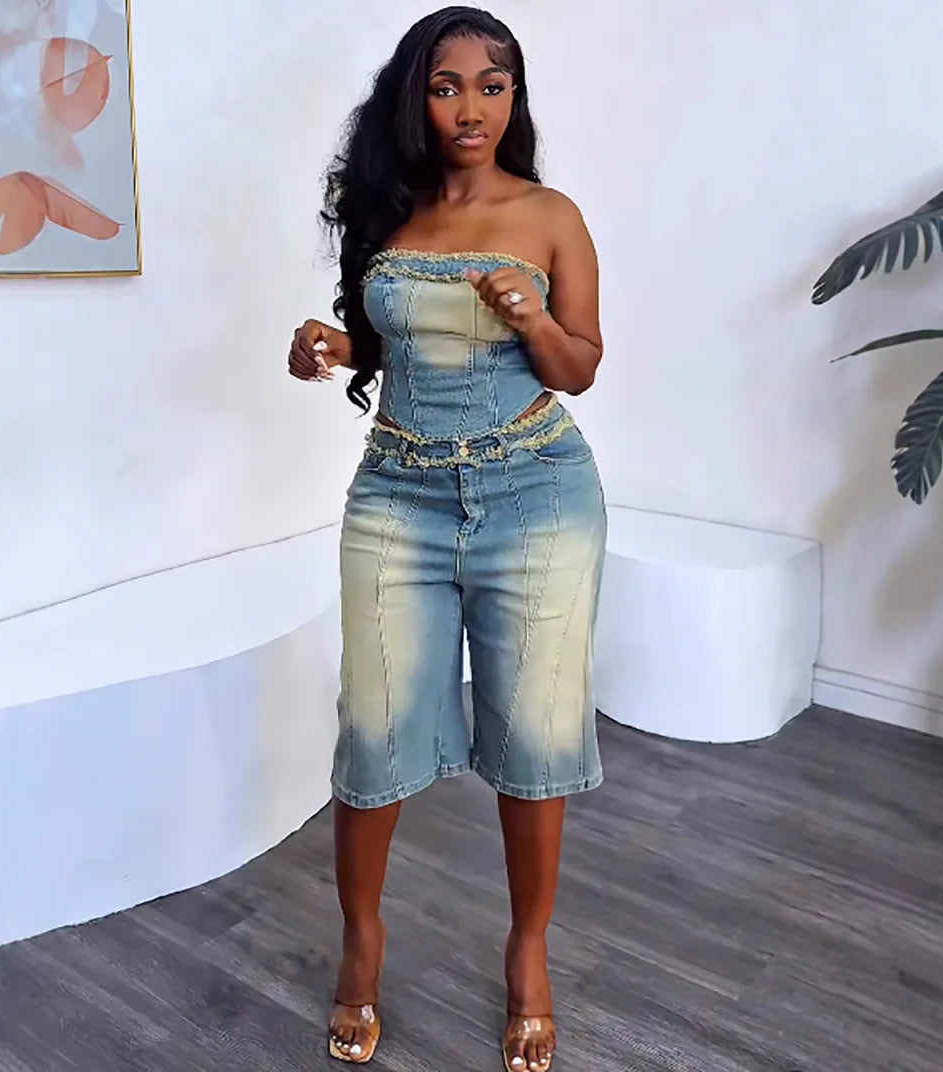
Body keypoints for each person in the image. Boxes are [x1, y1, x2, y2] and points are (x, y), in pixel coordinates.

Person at [287, 8, 606, 1070]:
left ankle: (528, 953)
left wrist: (533, 319)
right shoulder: (391, 209)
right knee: (371, 727)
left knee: (535, 737)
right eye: (446, 85)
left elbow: (579, 367)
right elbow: (388, 336)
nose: (471, 107)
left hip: (537, 494)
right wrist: (335, 346)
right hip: (399, 495)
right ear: (413, 100)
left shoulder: (550, 215)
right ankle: (360, 945)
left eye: (492, 85)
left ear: (515, 98)